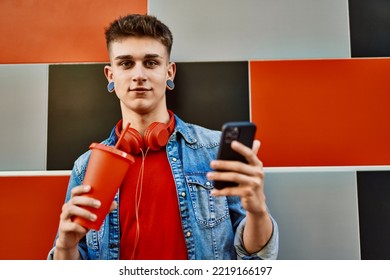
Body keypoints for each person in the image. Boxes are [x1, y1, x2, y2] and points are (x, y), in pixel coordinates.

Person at [48, 13, 278, 260]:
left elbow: (256, 259)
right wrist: (65, 245)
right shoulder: (86, 167)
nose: (139, 75)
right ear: (110, 75)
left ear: (169, 72)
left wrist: (257, 212)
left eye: (151, 63)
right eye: (126, 63)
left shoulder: (214, 150)